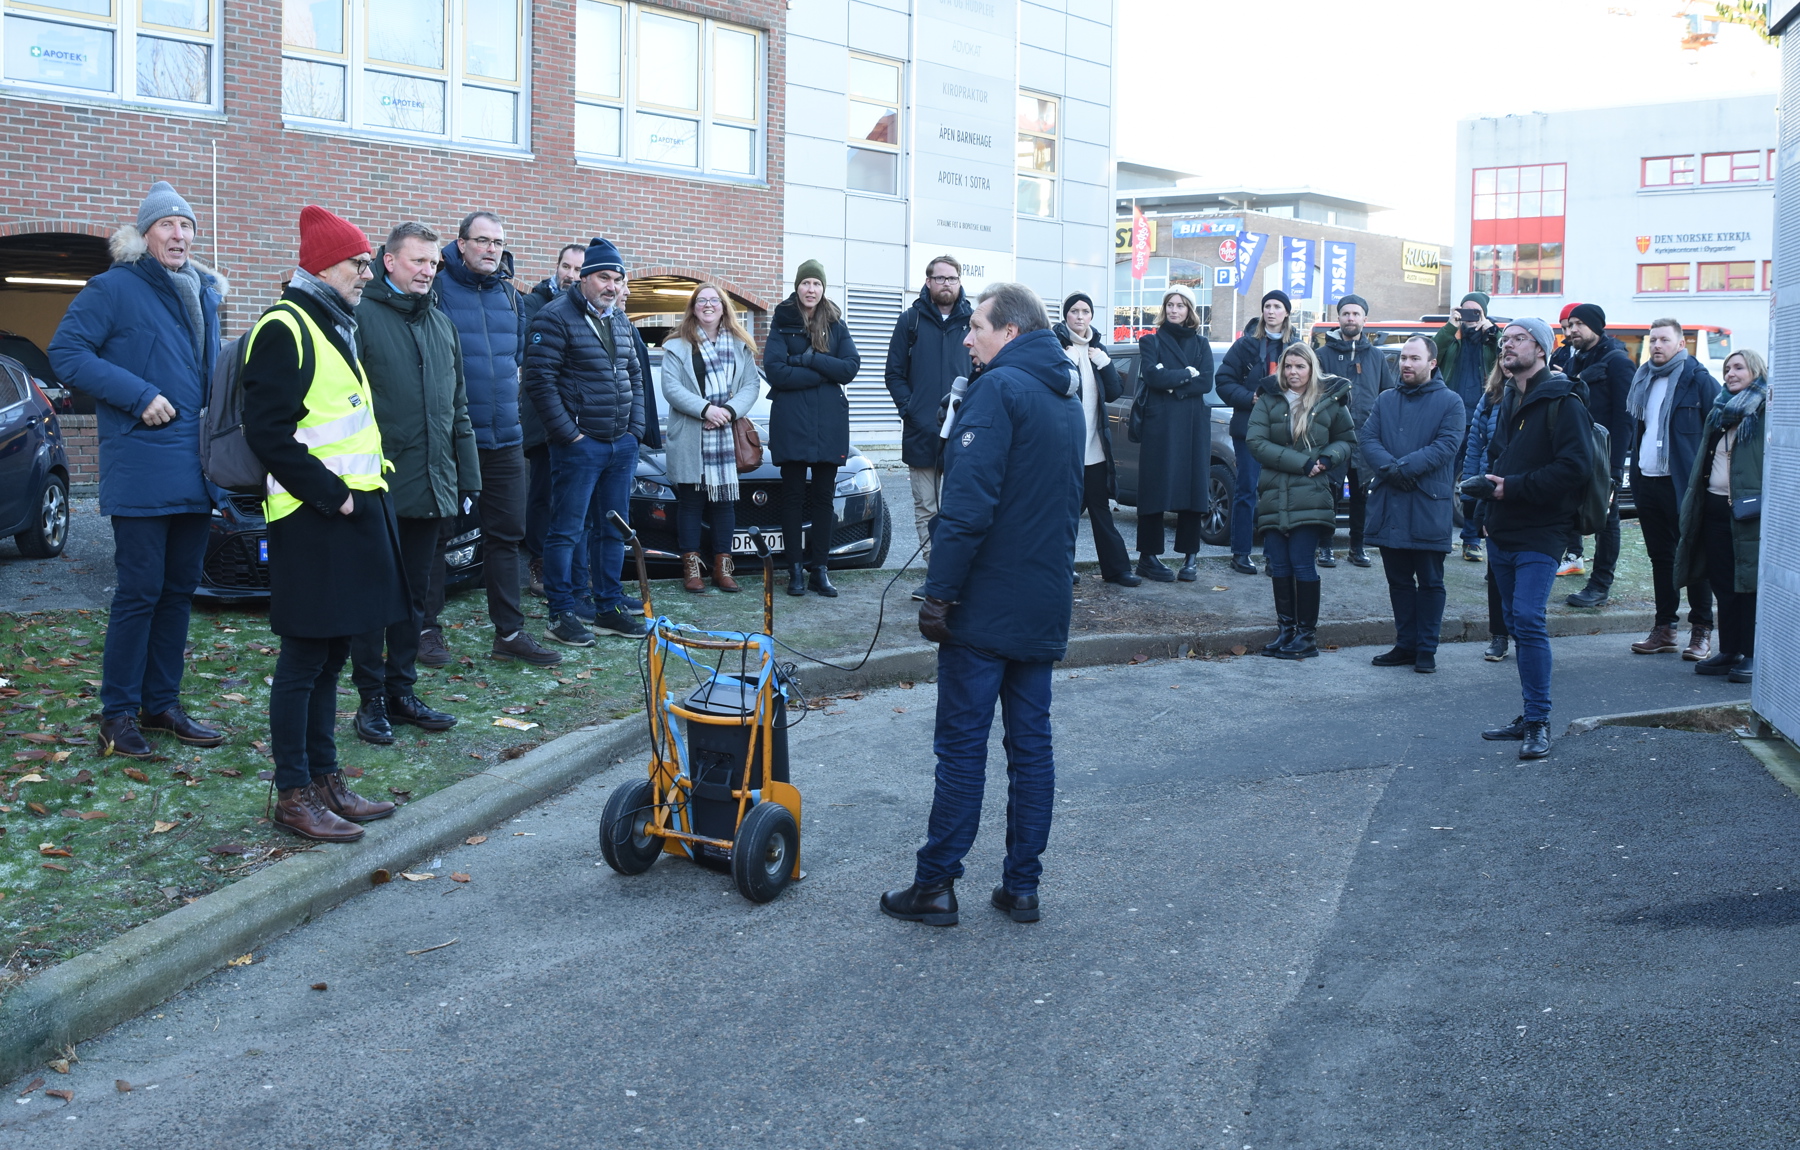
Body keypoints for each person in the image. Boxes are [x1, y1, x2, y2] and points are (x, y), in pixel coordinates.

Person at [880, 282, 1083, 927]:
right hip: (1043, 598)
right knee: (1031, 746)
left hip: (986, 603)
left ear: (1011, 333)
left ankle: (935, 884)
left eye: (977, 328)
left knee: (963, 748)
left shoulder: (1000, 389)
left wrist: (938, 594)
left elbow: (965, 510)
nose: (967, 338)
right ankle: (1022, 886)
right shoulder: (1065, 397)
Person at [241, 205, 409, 841]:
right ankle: (293, 794)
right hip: (316, 518)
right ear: (322, 266)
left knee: (334, 655)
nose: (366, 273)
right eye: (357, 263)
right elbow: (268, 432)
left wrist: (357, 499)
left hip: (352, 513)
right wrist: (332, 496)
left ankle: (325, 778)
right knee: (305, 660)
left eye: (367, 262)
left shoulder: (333, 322)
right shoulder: (285, 326)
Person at [49, 181, 228, 759]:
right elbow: (67, 353)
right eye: (167, 225)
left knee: (179, 592)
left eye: (186, 225)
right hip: (143, 461)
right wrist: (137, 393)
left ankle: (162, 704)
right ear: (144, 233)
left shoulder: (203, 290)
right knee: (139, 593)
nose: (179, 235)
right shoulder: (114, 288)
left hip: (195, 465)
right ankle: (117, 713)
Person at [345, 222, 477, 745]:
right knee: (373, 600)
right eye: (417, 261)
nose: (426, 271)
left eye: (432, 263)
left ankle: (402, 691)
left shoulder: (442, 325)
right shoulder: (359, 319)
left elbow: (459, 408)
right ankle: (370, 700)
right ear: (389, 261)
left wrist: (468, 478)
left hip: (433, 485)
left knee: (414, 600)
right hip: (375, 487)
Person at [435, 211, 560, 665]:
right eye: (482, 240)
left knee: (506, 538)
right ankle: (426, 629)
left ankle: (509, 635)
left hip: (506, 437)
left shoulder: (511, 295)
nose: (491, 248)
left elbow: (517, 359)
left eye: (498, 241)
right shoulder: (436, 288)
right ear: (461, 243)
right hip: (451, 438)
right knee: (436, 536)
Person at [1472, 318, 1591, 761]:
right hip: (1502, 528)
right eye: (1504, 340)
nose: (1507, 345)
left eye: (1518, 339)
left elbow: (1575, 468)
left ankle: (1539, 722)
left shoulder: (1564, 400)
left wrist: (1512, 488)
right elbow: (1496, 458)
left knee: (1527, 618)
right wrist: (1486, 510)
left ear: (1541, 349)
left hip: (1542, 530)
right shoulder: (1508, 398)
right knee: (1513, 621)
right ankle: (1528, 713)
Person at [523, 237, 649, 646]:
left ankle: (608, 607)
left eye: (617, 278)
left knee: (612, 530)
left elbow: (635, 377)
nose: (610, 286)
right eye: (602, 277)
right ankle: (561, 613)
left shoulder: (621, 321)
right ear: (583, 278)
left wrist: (634, 430)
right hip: (579, 445)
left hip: (619, 445)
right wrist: (570, 435)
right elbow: (539, 384)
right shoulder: (553, 317)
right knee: (567, 531)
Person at [1359, 336, 1465, 674]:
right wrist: (1391, 469)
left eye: (1414, 358)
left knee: (1431, 581)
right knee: (1399, 581)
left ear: (1432, 363)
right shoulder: (1386, 399)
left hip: (1427, 504)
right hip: (1391, 502)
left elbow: (1446, 446)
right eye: (1403, 357)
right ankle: (1405, 644)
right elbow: (1367, 438)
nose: (1406, 364)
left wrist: (1401, 469)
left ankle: (1426, 649)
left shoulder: (1451, 402)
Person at [1247, 342, 1356, 660]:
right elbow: (1255, 442)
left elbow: (1347, 440)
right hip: (1273, 492)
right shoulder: (1268, 398)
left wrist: (1326, 458)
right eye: (1288, 366)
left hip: (1312, 493)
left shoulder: (1330, 400)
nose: (1293, 372)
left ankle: (1307, 637)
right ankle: (1287, 631)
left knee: (1301, 562)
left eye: (1300, 366)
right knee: (1278, 565)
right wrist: (1301, 463)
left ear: (1312, 369)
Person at [1626, 318, 1720, 661]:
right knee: (1661, 558)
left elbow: (1717, 435)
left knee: (1694, 556)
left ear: (1681, 344)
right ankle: (1665, 628)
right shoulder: (1643, 380)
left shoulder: (1699, 381)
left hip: (1683, 485)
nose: (1656, 346)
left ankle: (1701, 631)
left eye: (1664, 340)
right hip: (1647, 480)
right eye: (1652, 340)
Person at [765, 260, 860, 598]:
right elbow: (775, 371)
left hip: (829, 423)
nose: (810, 290)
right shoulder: (782, 320)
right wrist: (823, 373)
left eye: (816, 284)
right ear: (797, 287)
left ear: (823, 288)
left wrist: (807, 360)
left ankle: (819, 569)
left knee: (823, 498)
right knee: (791, 498)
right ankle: (794, 570)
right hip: (792, 421)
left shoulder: (836, 322)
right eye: (805, 283)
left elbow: (849, 368)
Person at [660, 285, 762, 593]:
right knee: (691, 503)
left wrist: (728, 412)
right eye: (701, 301)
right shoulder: (677, 346)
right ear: (692, 308)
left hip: (726, 435)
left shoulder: (741, 345)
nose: (707, 305)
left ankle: (722, 569)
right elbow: (671, 388)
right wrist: (706, 410)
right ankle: (692, 569)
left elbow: (751, 386)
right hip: (692, 432)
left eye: (713, 300)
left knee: (724, 504)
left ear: (723, 307)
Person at [1674, 349, 1765, 685]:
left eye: (1738, 367)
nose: (1730, 373)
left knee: (1748, 585)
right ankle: (1730, 651)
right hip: (1713, 507)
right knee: (1723, 583)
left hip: (1750, 513)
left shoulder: (1766, 410)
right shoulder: (1719, 412)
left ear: (1755, 371)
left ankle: (1752, 654)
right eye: (1727, 368)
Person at [884, 255, 972, 598]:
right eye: (940, 278)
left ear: (960, 281)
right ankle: (937, 578)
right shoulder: (911, 320)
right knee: (926, 509)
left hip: (964, 431)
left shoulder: (976, 322)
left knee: (957, 509)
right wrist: (911, 409)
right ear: (928, 282)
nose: (946, 283)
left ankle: (956, 577)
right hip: (921, 430)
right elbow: (893, 373)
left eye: (952, 278)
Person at [1054, 290, 1137, 586]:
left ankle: (1117, 570)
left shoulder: (1096, 348)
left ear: (1091, 316)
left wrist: (1105, 363)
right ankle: (1062, 567)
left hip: (1095, 446)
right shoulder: (1056, 347)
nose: (1079, 316)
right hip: (1066, 446)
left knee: (1100, 508)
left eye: (1085, 311)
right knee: (1065, 511)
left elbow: (1113, 393)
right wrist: (1064, 364)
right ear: (1066, 316)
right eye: (1074, 311)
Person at [1216, 290, 1301, 575]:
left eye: (1277, 306)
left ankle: (1273, 555)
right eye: (1267, 306)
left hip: (1285, 431)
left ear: (1286, 312)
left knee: (1279, 493)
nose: (1271, 311)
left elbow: (1311, 382)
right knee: (1246, 490)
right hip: (1250, 429)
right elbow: (1224, 381)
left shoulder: (1298, 346)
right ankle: (1240, 553)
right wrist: (1249, 397)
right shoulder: (1245, 346)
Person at [1132, 285, 1213, 581]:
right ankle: (1148, 557)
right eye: (1170, 304)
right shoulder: (1150, 341)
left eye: (1180, 305)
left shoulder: (1202, 344)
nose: (1174, 310)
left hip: (1192, 424)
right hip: (1160, 424)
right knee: (1154, 487)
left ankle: (1190, 557)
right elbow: (1152, 375)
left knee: (1192, 487)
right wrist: (1186, 374)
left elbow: (1205, 383)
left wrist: (1171, 384)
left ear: (1190, 310)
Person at [1558, 304, 1636, 609]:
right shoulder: (1575, 360)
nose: (1571, 330)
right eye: (1569, 325)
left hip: (1603, 458)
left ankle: (1600, 584)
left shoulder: (1617, 362)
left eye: (1578, 324)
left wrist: (1615, 466)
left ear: (1596, 327)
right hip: (1573, 453)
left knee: (1607, 519)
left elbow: (1625, 417)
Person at [520, 243, 584, 596]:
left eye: (577, 270)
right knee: (543, 494)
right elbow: (541, 364)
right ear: (556, 266)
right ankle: (538, 563)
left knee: (573, 498)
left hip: (579, 421)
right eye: (566, 266)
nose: (570, 276)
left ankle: (572, 567)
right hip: (543, 419)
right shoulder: (533, 304)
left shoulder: (588, 309)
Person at [1315, 293, 1397, 568]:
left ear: (1364, 319)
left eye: (1356, 314)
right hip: (1331, 438)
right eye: (1346, 314)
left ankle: (1357, 547)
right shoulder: (1322, 355)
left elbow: (1388, 395)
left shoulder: (1376, 356)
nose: (1351, 318)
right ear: (1338, 318)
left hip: (1366, 438)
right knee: (1330, 493)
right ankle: (1324, 547)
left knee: (1361, 495)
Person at [1435, 292, 1500, 562]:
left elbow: (1506, 359)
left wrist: (1492, 332)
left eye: (1476, 312)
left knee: (1474, 479)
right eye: (1466, 311)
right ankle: (1439, 536)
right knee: (1441, 478)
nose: (1470, 317)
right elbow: (1432, 353)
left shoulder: (1492, 339)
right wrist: (1451, 325)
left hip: (1481, 419)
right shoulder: (1453, 339)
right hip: (1450, 419)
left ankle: (1471, 539)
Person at [1460, 362, 1511, 662]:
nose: (1507, 355)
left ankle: (1526, 631)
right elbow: (1475, 446)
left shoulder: (1545, 393)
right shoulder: (1491, 396)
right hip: (1490, 492)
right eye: (1503, 349)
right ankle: (1499, 635)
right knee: (1496, 571)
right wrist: (1470, 489)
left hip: (1526, 493)